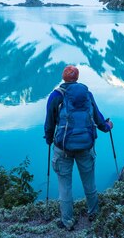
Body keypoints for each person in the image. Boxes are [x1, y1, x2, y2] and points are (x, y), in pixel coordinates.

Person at [44, 65, 114, 231]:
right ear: (77, 78)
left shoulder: (56, 96)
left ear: (63, 78)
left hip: (63, 148)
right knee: (89, 183)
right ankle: (94, 213)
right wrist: (107, 126)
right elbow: (97, 118)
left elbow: (49, 122)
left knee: (65, 186)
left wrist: (49, 139)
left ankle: (67, 221)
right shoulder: (87, 95)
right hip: (85, 146)